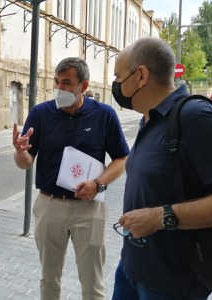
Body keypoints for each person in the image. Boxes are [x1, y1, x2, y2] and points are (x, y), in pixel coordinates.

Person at [111, 37, 212, 299]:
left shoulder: (196, 117)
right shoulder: (150, 118)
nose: (115, 85)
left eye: (118, 76)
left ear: (141, 76)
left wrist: (162, 217)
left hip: (172, 283)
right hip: (131, 268)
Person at [13, 57, 129, 300]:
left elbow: (121, 159)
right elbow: (26, 163)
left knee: (92, 282)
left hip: (89, 208)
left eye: (66, 83)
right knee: (49, 277)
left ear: (83, 86)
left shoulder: (104, 115)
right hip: (49, 205)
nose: (59, 88)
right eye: (56, 82)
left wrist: (98, 184)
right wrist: (21, 152)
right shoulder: (40, 113)